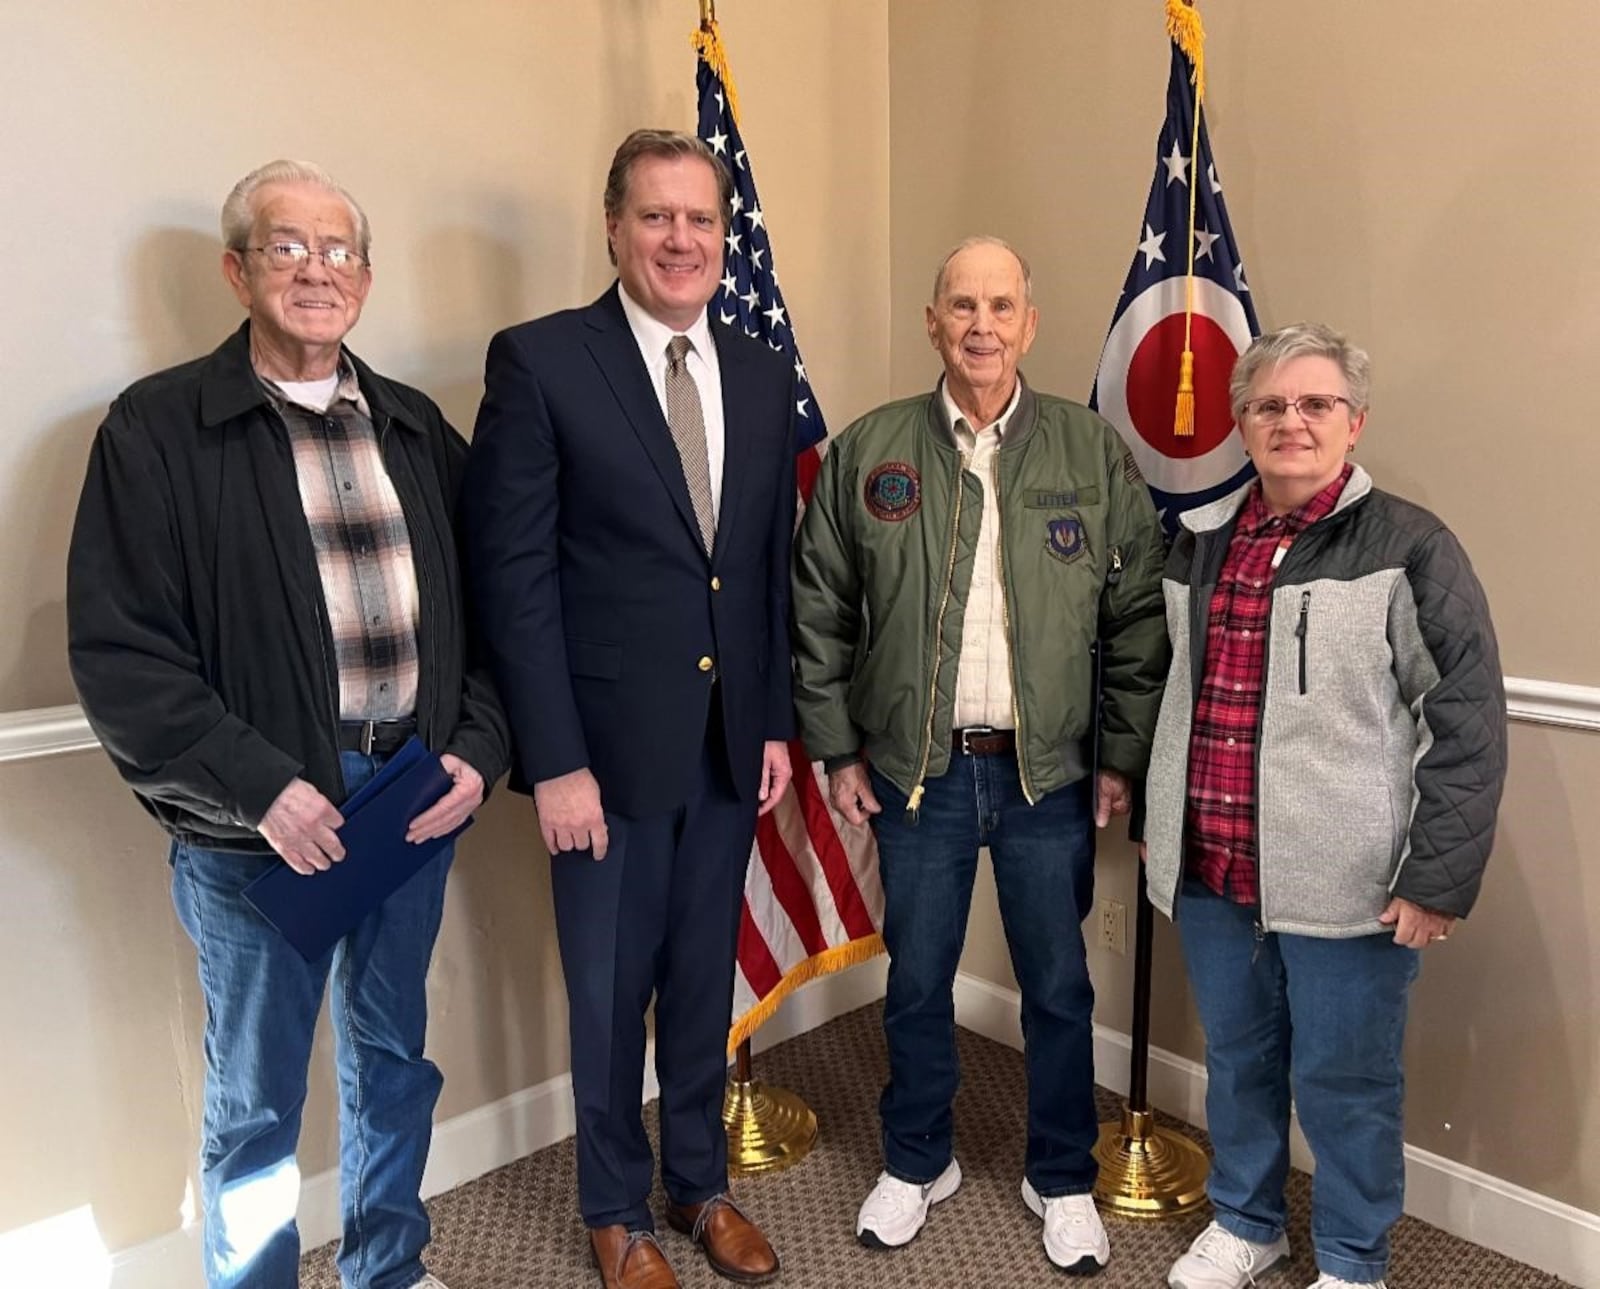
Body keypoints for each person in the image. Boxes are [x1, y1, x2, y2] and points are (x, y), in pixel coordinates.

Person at [67, 159, 509, 1289]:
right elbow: (124, 656)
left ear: (366, 275)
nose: (319, 270)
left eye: (340, 250)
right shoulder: (157, 430)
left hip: (407, 803)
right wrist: (260, 786)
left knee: (392, 1063)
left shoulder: (415, 429)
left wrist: (476, 750)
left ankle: (387, 1267)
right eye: (288, 246)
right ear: (237, 269)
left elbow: (499, 616)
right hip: (258, 828)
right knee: (256, 1102)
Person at [791, 236, 1169, 1274]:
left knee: (1056, 987)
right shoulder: (872, 452)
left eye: (1001, 305)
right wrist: (835, 748)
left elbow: (1138, 619)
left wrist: (1118, 756)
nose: (981, 325)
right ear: (932, 320)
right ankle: (918, 1158)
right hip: (921, 775)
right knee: (916, 982)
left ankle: (1062, 1175)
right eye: (961, 304)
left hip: (1048, 772)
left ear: (1030, 322)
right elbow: (817, 612)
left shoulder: (1089, 455)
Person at [462, 129, 795, 1289]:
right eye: (656, 217)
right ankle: (615, 1207)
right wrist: (553, 759)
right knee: (609, 996)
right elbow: (514, 577)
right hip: (598, 759)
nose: (681, 239)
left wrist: (771, 723)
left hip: (724, 749)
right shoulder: (545, 361)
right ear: (613, 227)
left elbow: (761, 565)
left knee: (704, 982)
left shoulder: (755, 372)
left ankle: (697, 1183)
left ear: (722, 235)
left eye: (700, 219)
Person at [1143, 323, 1507, 1289]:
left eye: (1314, 405)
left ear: (1355, 423)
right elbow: (1169, 693)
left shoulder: (1412, 547)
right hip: (1216, 872)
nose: (1290, 422)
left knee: (1347, 1084)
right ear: (1241, 422)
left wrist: (1435, 878)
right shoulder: (1201, 547)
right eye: (1269, 405)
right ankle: (1247, 1219)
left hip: (1349, 885)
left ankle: (1352, 1259)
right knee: (1237, 1061)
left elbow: (1465, 721)